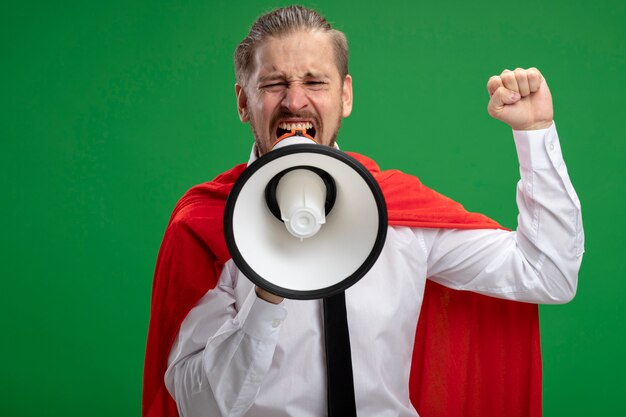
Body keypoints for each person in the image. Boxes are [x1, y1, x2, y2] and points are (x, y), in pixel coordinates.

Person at [143, 5, 584, 417]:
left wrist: (534, 133)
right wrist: (266, 293)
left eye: (315, 82)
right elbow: (199, 405)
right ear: (243, 102)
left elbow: (546, 273)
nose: (295, 101)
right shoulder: (206, 226)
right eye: (274, 84)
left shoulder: (397, 208)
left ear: (346, 96)